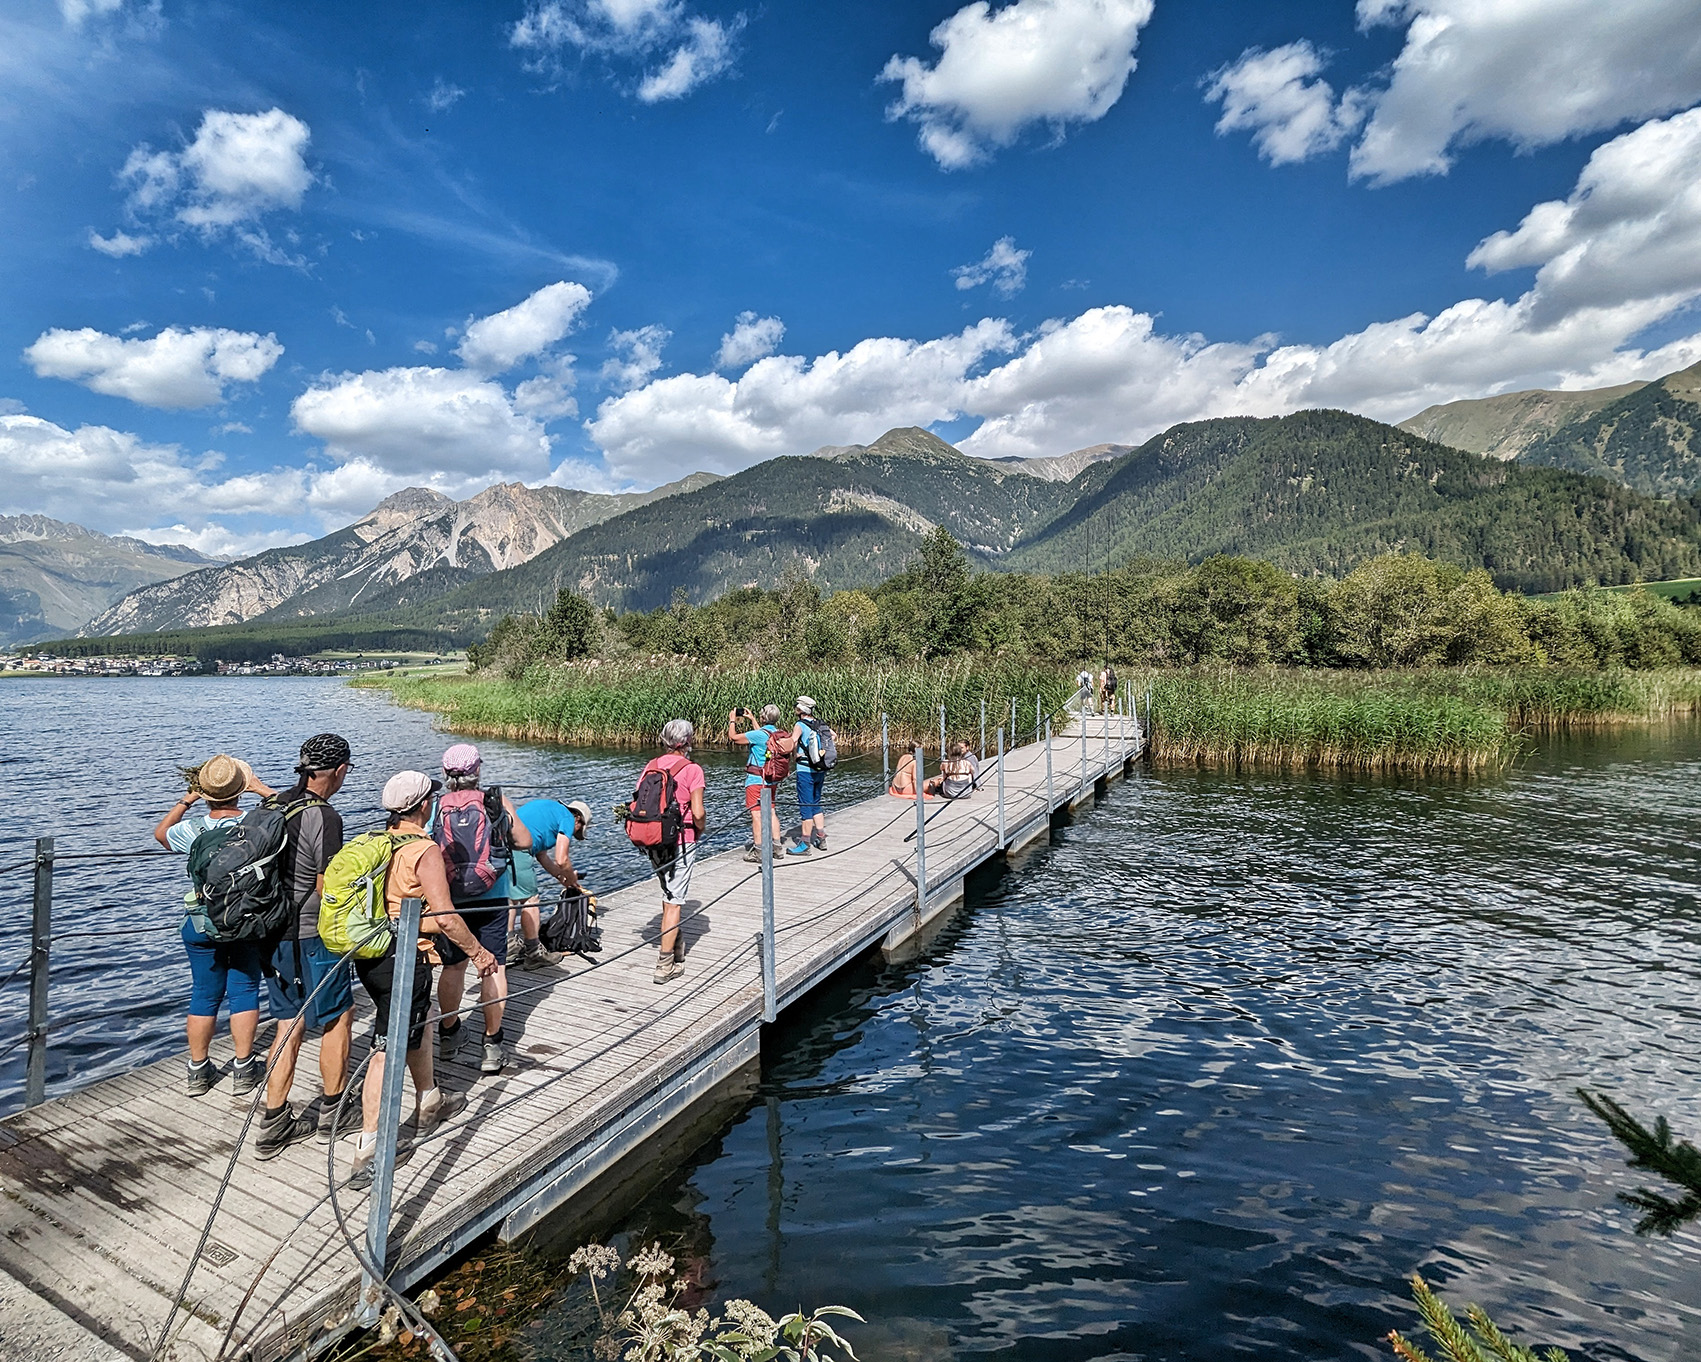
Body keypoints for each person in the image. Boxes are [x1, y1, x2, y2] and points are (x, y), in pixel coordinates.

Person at [348, 770, 498, 1191]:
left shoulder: (377, 841)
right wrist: (479, 953)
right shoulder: (423, 850)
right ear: (424, 806)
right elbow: (446, 917)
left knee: (420, 1021)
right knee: (385, 1050)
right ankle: (369, 1147)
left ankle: (429, 1099)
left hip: (371, 953)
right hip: (404, 958)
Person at [254, 733, 354, 1159]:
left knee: (287, 1022)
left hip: (270, 930)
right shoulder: (324, 817)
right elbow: (327, 885)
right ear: (340, 770)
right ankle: (334, 1110)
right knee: (338, 1017)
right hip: (311, 932)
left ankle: (274, 1121)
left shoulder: (273, 805)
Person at [153, 753, 277, 1097]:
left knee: (204, 994)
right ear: (240, 790)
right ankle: (243, 1067)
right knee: (244, 990)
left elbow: (161, 834)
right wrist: (261, 790)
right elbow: (291, 813)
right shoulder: (257, 824)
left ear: (205, 793)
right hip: (244, 920)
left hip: (201, 921)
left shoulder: (192, 830)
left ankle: (197, 1070)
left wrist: (187, 800)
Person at [432, 744, 531, 1076]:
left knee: (453, 967)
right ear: (477, 771)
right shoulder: (494, 801)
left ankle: (449, 1035)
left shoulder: (436, 806)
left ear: (446, 774)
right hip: (492, 895)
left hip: (450, 900)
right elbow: (525, 841)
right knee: (495, 966)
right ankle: (492, 1044)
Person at [636, 719, 706, 984]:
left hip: (654, 839)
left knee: (668, 892)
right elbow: (697, 812)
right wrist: (701, 829)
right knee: (675, 900)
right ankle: (665, 965)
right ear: (687, 741)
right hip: (681, 840)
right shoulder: (693, 769)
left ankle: (676, 943)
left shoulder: (651, 765)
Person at [506, 797, 593, 968]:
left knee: (511, 898)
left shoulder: (550, 810)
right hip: (518, 849)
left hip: (502, 845)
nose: (573, 833)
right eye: (578, 830)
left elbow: (542, 856)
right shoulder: (567, 818)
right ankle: (534, 953)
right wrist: (572, 877)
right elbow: (562, 859)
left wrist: (563, 879)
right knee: (530, 900)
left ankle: (508, 946)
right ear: (578, 819)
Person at [728, 705, 807, 861]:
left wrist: (732, 720)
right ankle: (777, 847)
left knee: (756, 814)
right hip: (772, 780)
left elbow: (733, 737)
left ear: (763, 718)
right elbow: (762, 734)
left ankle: (758, 850)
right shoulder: (777, 734)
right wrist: (752, 719)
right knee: (771, 811)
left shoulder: (758, 735)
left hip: (756, 780)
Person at [791, 696, 828, 851]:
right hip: (820, 769)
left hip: (805, 770)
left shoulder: (799, 725)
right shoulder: (820, 724)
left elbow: (792, 741)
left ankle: (805, 844)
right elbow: (833, 736)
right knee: (815, 803)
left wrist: (795, 754)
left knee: (805, 805)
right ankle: (821, 838)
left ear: (801, 710)